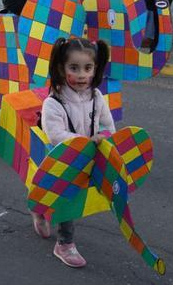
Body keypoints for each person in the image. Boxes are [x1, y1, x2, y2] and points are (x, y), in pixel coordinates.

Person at [33, 37, 114, 268]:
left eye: (87, 68)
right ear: (61, 68)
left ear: (95, 68)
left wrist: (105, 139)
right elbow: (56, 135)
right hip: (62, 157)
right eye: (74, 68)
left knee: (67, 195)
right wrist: (87, 141)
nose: (81, 75)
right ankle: (64, 244)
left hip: (87, 156)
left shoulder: (97, 97)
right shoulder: (53, 102)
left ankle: (38, 208)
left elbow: (108, 126)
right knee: (65, 195)